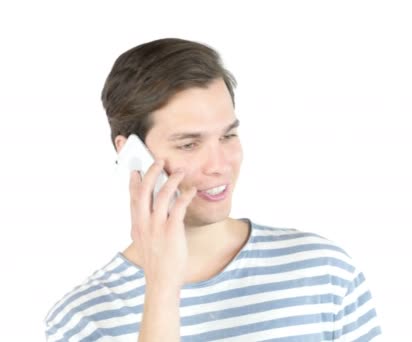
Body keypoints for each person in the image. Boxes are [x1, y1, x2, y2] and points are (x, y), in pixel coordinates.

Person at [45, 38, 382, 341]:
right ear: (131, 154)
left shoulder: (323, 271)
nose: (219, 164)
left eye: (227, 136)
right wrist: (162, 289)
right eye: (189, 144)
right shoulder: (82, 320)